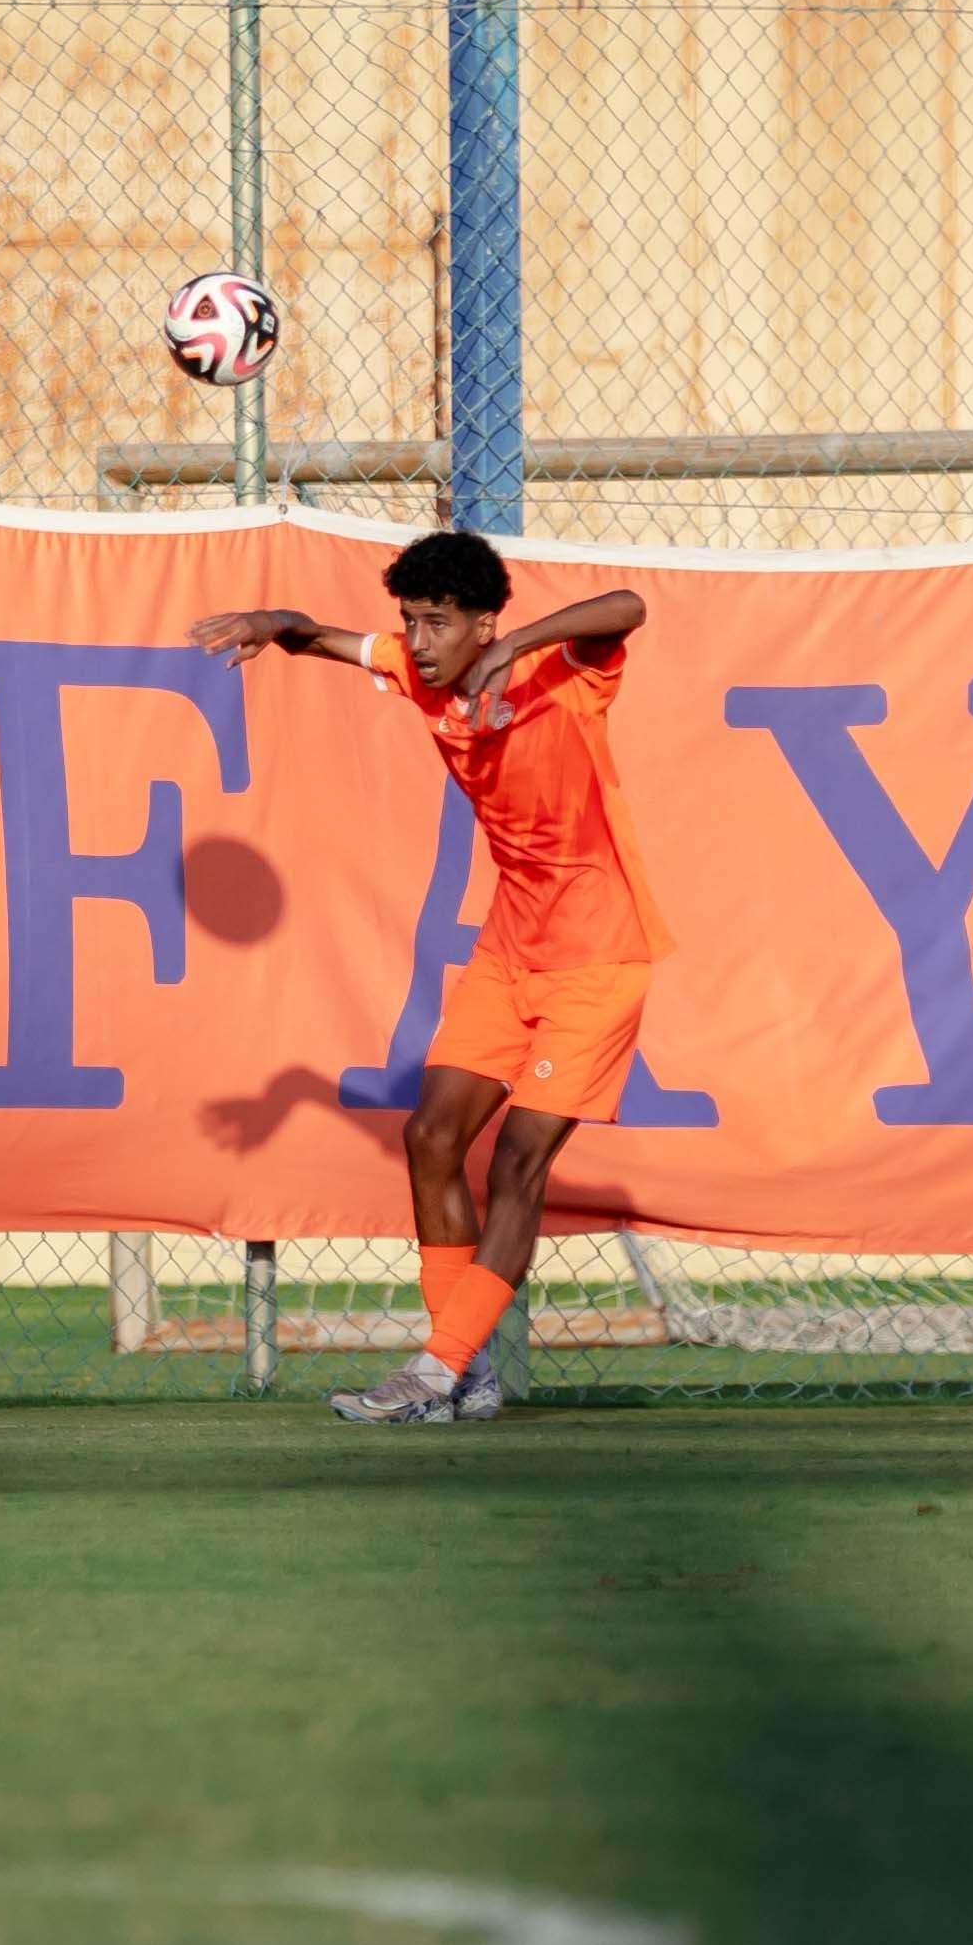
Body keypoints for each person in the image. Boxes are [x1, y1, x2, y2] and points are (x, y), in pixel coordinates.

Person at [192, 530, 666, 1425]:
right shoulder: (420, 673)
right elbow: (312, 634)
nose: (416, 640)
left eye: (437, 623)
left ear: (484, 623)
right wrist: (270, 622)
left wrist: (514, 650)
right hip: (507, 953)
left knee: (520, 1160)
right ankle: (464, 1373)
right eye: (409, 621)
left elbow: (628, 608)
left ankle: (435, 1369)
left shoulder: (564, 672)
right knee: (429, 1138)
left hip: (597, 958)